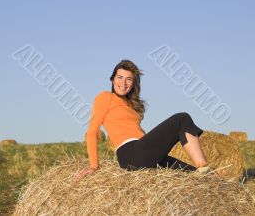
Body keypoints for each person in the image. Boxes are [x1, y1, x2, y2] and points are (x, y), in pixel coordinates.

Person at [75, 59, 213, 182]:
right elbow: (92, 133)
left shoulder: (131, 106)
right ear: (112, 80)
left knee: (197, 177)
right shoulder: (105, 97)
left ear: (133, 83)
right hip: (130, 153)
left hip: (142, 152)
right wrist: (94, 166)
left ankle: (205, 174)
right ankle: (203, 166)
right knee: (182, 118)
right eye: (119, 77)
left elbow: (137, 133)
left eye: (128, 79)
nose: (123, 83)